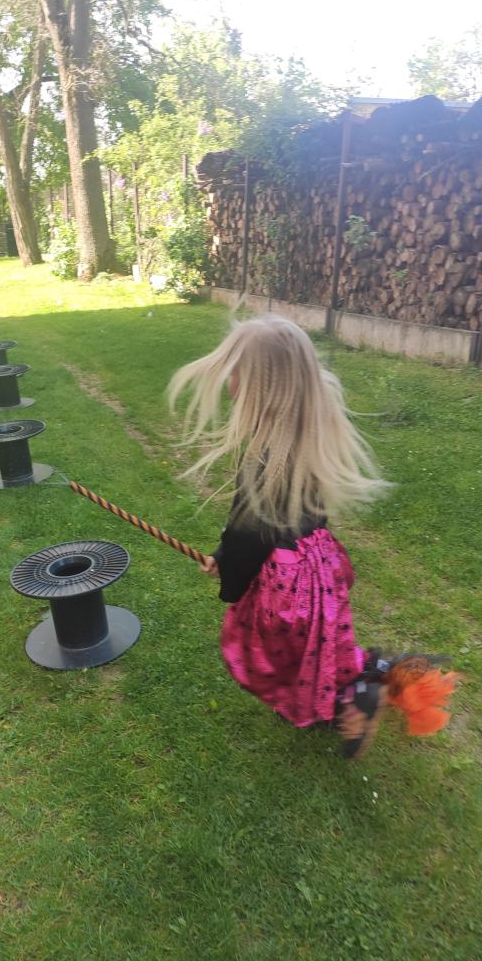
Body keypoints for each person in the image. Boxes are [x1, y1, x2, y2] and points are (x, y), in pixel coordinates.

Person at [169, 315, 455, 759]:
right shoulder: (308, 433)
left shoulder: (266, 459)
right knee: (318, 646)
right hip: (318, 568)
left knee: (268, 654)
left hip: (286, 585)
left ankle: (355, 698)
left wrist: (230, 577)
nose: (229, 381)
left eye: (237, 371)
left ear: (262, 386)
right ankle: (376, 673)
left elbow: (249, 535)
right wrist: (224, 553)